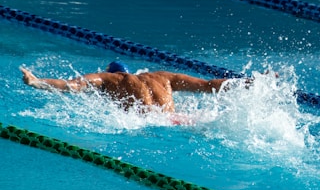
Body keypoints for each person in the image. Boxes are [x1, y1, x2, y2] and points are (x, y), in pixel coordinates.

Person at [20, 61, 230, 113]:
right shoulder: (163, 77)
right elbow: (209, 85)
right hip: (182, 121)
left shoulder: (110, 79)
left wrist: (36, 81)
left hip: (152, 126)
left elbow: (72, 86)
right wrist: (248, 84)